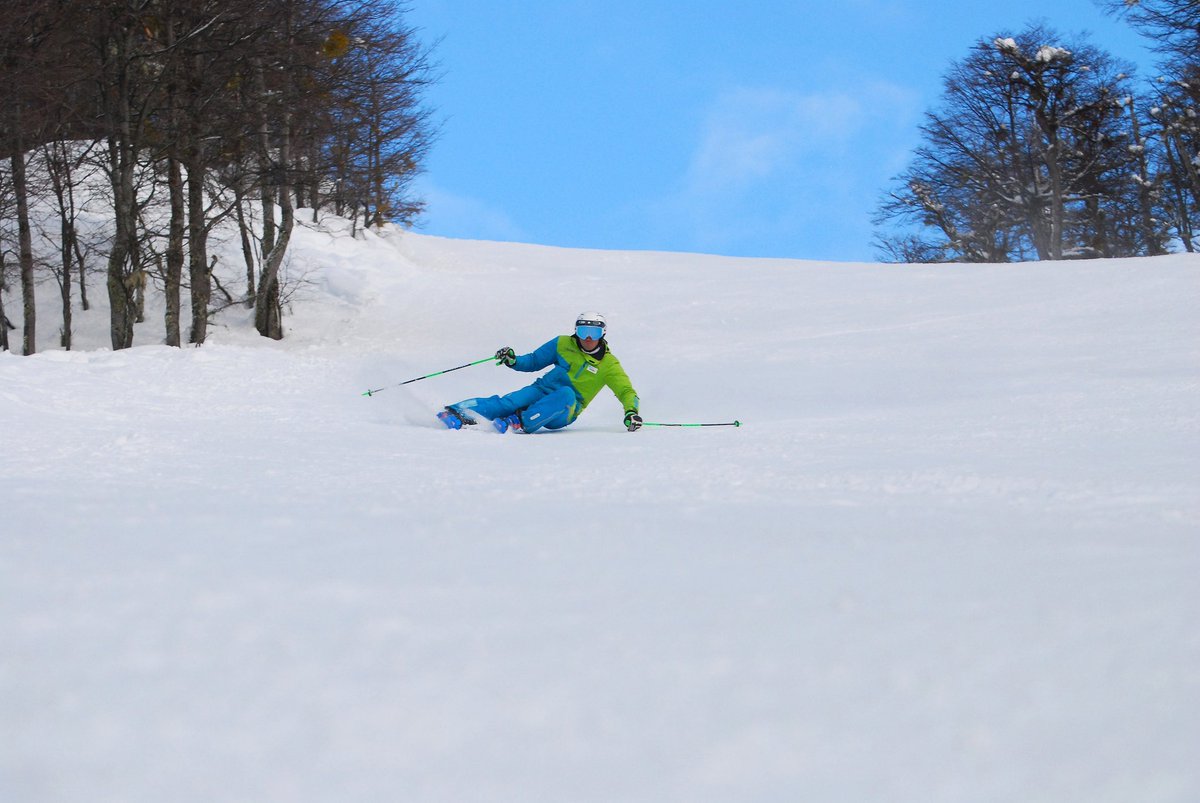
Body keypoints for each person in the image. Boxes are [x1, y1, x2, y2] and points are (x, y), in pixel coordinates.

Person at [438, 312, 642, 434]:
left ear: (603, 334)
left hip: (564, 409)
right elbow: (534, 361)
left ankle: (518, 421)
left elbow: (626, 391)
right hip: (541, 389)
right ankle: (456, 412)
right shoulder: (562, 343)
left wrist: (631, 412)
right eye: (583, 331)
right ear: (576, 331)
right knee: (508, 402)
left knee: (566, 393)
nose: (588, 338)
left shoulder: (609, 365)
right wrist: (514, 360)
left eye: (594, 332)